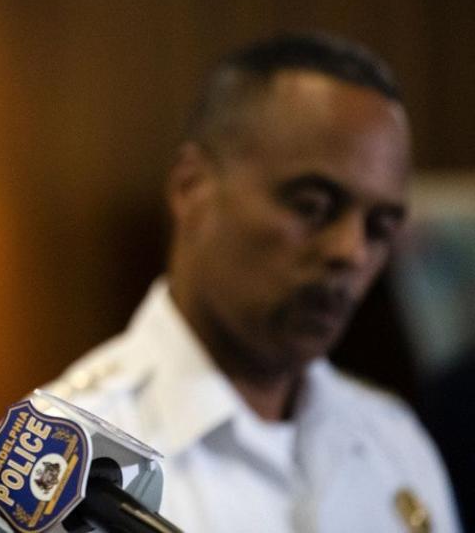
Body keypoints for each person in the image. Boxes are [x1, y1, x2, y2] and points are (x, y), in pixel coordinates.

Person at [41, 33, 461, 532]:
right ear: (191, 188)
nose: (351, 251)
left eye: (380, 228)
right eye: (312, 206)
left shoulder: (395, 443)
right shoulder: (57, 467)